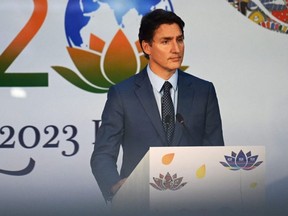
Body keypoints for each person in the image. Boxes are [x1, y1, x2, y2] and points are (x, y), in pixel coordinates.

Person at [90, 9, 224, 201]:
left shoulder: (204, 91)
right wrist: (115, 186)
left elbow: (215, 152)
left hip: (194, 201)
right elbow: (102, 154)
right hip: (139, 202)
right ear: (147, 47)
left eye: (180, 39)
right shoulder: (123, 94)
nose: (176, 49)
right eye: (165, 41)